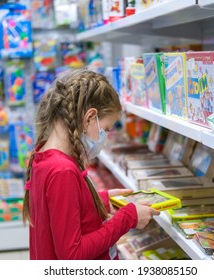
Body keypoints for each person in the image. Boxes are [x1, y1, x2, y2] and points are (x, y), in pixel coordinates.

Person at [23, 69, 160, 260]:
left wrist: (100, 202)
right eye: (106, 129)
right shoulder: (63, 171)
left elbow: (58, 213)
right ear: (89, 118)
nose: (105, 137)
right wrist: (127, 218)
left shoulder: (45, 156)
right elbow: (72, 256)